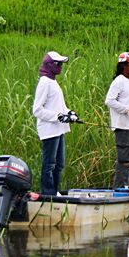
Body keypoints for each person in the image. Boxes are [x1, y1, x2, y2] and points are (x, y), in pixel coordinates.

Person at [32, 51, 75, 196]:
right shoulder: (44, 82)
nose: (60, 66)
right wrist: (57, 116)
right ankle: (48, 193)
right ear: (49, 65)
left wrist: (69, 113)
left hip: (58, 129)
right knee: (49, 164)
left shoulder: (53, 82)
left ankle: (55, 192)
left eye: (61, 64)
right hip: (49, 130)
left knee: (59, 164)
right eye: (58, 64)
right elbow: (37, 110)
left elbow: (58, 106)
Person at [105, 52, 129, 189]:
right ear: (124, 65)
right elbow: (109, 101)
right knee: (125, 160)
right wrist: (127, 110)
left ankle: (127, 189)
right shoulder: (118, 81)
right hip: (123, 127)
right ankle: (120, 190)